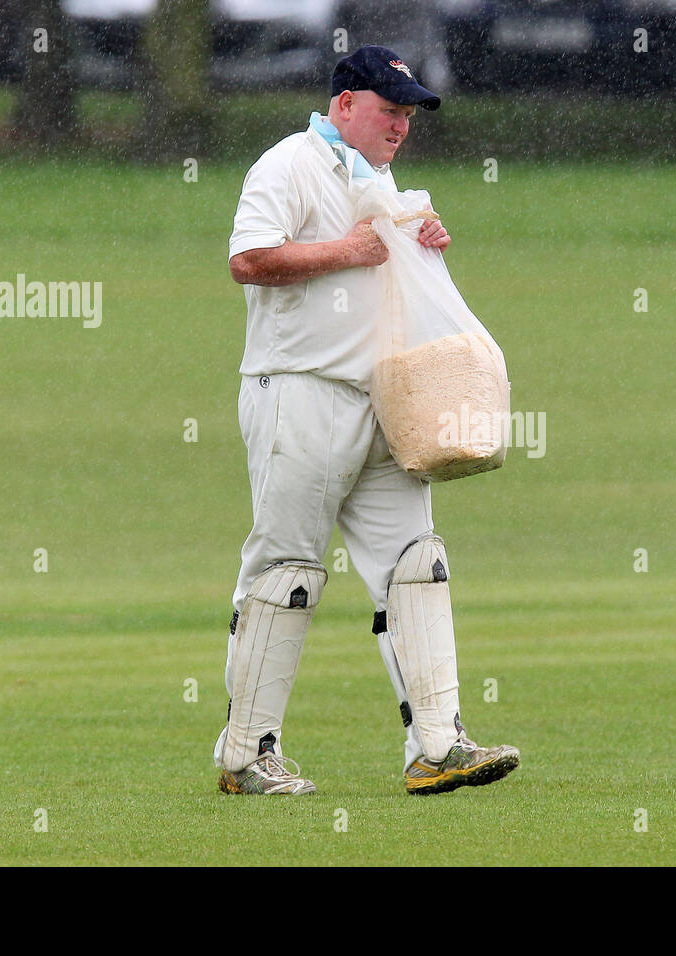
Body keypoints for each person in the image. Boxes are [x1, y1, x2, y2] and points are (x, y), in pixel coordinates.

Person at [214, 46, 520, 797]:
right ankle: (246, 754)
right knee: (287, 574)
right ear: (344, 104)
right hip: (299, 388)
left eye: (408, 114)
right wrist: (346, 250)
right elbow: (248, 260)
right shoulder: (287, 163)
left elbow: (383, 278)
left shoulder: (378, 178)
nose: (401, 126)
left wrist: (421, 247)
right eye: (389, 110)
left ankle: (438, 745)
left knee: (417, 562)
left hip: (385, 396)